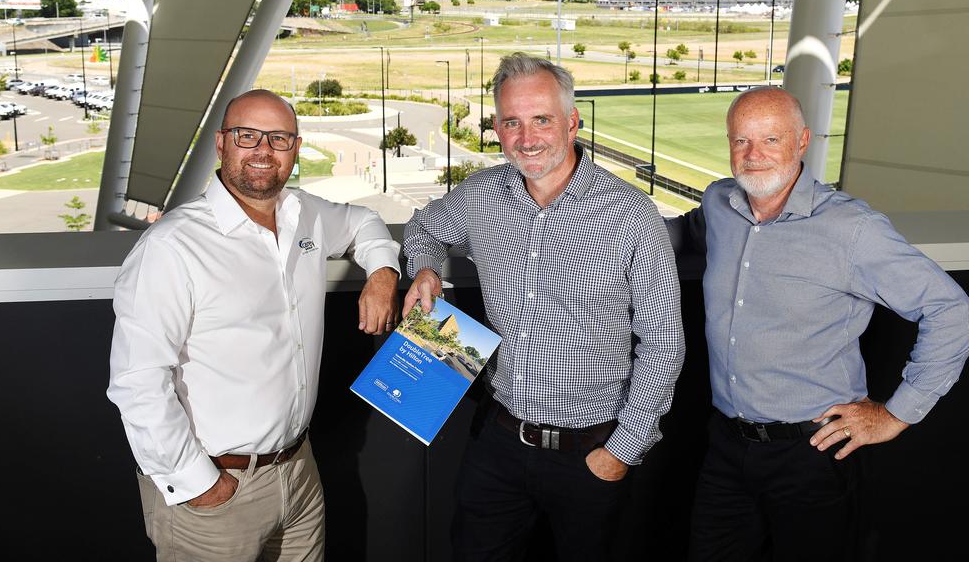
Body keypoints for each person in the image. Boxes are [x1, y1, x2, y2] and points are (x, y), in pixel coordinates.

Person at [666, 86, 969, 561]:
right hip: (726, 445)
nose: (753, 154)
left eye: (770, 139)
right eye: (740, 140)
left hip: (812, 454)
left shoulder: (852, 230)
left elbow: (951, 309)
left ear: (803, 141)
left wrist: (897, 413)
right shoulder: (720, 202)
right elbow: (683, 234)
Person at [403, 53, 685, 562]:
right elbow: (424, 228)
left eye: (541, 120)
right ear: (496, 127)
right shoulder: (482, 195)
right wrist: (425, 268)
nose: (526, 137)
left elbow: (664, 344)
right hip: (500, 441)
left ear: (572, 123)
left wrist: (620, 454)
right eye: (512, 122)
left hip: (592, 453)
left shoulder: (631, 214)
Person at [107, 89, 400, 561]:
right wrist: (200, 485)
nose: (263, 150)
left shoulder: (302, 213)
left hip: (299, 471)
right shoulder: (172, 247)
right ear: (221, 144)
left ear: (295, 149)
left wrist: (383, 274)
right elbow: (137, 382)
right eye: (248, 135)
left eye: (279, 138)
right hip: (217, 491)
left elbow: (364, 222)